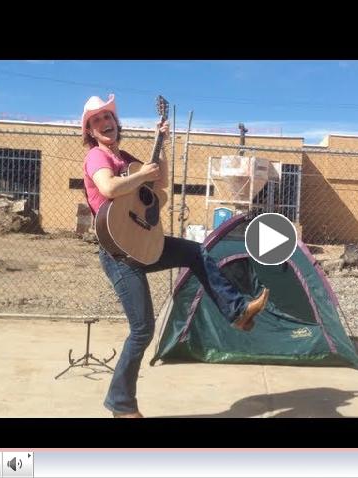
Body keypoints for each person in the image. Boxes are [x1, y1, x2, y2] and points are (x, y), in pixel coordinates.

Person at [81, 94, 269, 418]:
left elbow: (160, 182)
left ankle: (238, 312)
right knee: (142, 330)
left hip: (142, 241)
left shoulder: (126, 157)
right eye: (96, 121)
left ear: (116, 122)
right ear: (90, 130)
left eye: (107, 117)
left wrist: (162, 143)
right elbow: (110, 189)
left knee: (195, 251)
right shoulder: (97, 157)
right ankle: (121, 405)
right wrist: (141, 176)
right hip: (119, 253)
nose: (104, 123)